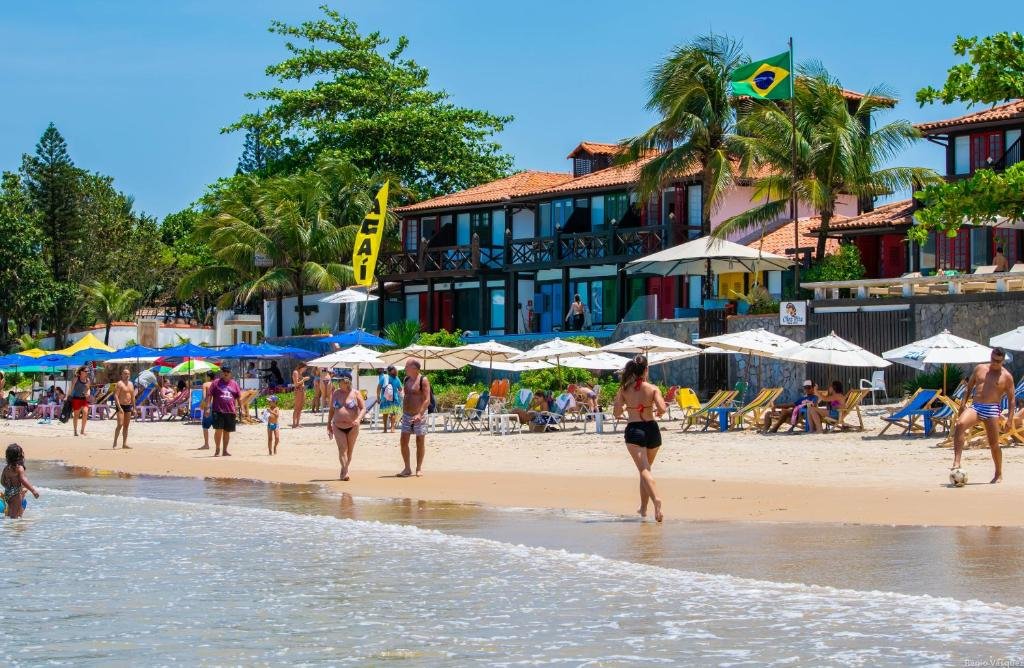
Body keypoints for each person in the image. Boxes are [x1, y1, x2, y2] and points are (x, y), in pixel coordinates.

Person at [613, 355, 667, 522]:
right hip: (652, 430)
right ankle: (643, 508)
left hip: (635, 430)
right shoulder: (653, 388)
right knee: (646, 470)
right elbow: (662, 408)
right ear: (646, 370)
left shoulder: (623, 389)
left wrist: (627, 408)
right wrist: (657, 411)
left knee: (644, 470)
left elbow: (616, 413)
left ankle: (656, 500)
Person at [953, 348, 1015, 483]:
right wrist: (963, 404)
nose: (994, 363)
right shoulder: (980, 368)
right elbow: (969, 387)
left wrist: (1010, 420)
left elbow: (1011, 400)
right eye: (993, 359)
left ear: (1003, 361)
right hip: (976, 406)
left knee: (994, 444)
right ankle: (957, 462)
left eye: (998, 361)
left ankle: (998, 473)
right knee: (960, 424)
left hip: (992, 409)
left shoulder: (1006, 376)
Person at [328, 371, 365, 481]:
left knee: (349, 450)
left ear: (346, 382)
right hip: (337, 426)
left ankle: (344, 469)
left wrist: (358, 419)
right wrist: (328, 424)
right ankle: (346, 471)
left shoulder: (356, 393)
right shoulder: (335, 393)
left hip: (352, 426)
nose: (338, 383)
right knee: (342, 449)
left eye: (340, 381)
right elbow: (331, 410)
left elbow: (363, 408)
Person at [398, 359, 431, 478]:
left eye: (407, 366)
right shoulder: (406, 379)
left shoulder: (423, 380)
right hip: (407, 414)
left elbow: (427, 400)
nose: (405, 368)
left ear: (415, 368)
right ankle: (407, 468)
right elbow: (407, 396)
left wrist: (420, 414)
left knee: (419, 441)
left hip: (419, 414)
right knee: (403, 441)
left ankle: (418, 468)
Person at [210, 367, 242, 457]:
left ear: (230, 373)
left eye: (228, 372)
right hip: (218, 410)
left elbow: (238, 397)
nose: (226, 373)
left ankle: (225, 451)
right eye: (224, 371)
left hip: (230, 411)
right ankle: (217, 449)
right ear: (221, 373)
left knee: (227, 431)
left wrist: (241, 408)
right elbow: (209, 395)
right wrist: (207, 408)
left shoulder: (234, 384)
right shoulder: (216, 382)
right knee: (218, 430)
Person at [2, 444, 39, 519]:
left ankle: (6, 526)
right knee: (14, 517)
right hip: (16, 493)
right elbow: (23, 480)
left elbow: (2, 480)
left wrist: (8, 487)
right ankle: (14, 526)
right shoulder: (19, 468)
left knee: (9, 514)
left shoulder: (6, 468)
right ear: (19, 456)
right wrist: (33, 490)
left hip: (7, 492)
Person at [112, 367, 136, 449]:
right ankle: (115, 442)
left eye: (128, 374)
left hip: (128, 406)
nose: (127, 375)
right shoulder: (119, 383)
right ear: (122, 375)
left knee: (126, 426)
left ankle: (124, 444)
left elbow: (133, 396)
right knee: (120, 424)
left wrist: (134, 408)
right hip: (121, 406)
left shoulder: (131, 384)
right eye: (125, 374)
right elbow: (116, 396)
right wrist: (119, 407)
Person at [377, 366, 403, 433]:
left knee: (385, 413)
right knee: (393, 413)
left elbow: (379, 387)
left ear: (388, 371)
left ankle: (385, 429)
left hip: (385, 398)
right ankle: (392, 428)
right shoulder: (397, 378)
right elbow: (400, 389)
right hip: (394, 398)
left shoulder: (384, 377)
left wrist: (378, 397)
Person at [198, 370, 217, 450]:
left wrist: (202, 405)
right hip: (217, 406)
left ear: (208, 377)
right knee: (217, 427)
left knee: (205, 426)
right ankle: (217, 445)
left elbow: (204, 396)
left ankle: (206, 444)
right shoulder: (217, 384)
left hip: (209, 405)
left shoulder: (205, 384)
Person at [69, 366, 91, 437]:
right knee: (76, 415)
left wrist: (88, 393)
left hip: (84, 399)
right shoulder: (76, 379)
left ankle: (82, 430)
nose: (87, 372)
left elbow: (88, 388)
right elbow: (71, 388)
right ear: (81, 372)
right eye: (86, 371)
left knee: (85, 412)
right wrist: (68, 396)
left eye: (88, 371)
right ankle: (75, 431)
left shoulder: (88, 380)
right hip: (76, 399)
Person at [291, 363, 309, 428]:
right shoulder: (295, 372)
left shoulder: (300, 373)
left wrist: (303, 379)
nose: (305, 369)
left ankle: (298, 423)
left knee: (300, 408)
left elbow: (300, 382)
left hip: (302, 390)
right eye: (305, 368)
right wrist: (304, 379)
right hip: (298, 391)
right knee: (297, 407)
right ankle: (294, 424)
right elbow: (296, 384)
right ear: (302, 367)